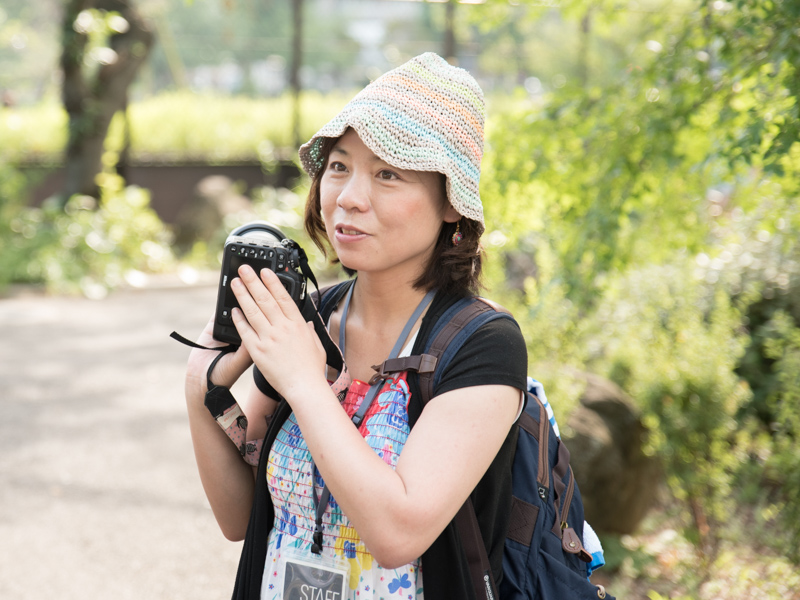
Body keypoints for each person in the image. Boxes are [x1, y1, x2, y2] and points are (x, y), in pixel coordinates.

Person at [183, 52, 528, 600]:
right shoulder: (314, 318)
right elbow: (237, 517)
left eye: (387, 174)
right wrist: (200, 383)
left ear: (450, 205)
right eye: (339, 166)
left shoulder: (483, 344)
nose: (348, 197)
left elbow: (398, 533)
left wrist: (302, 381)